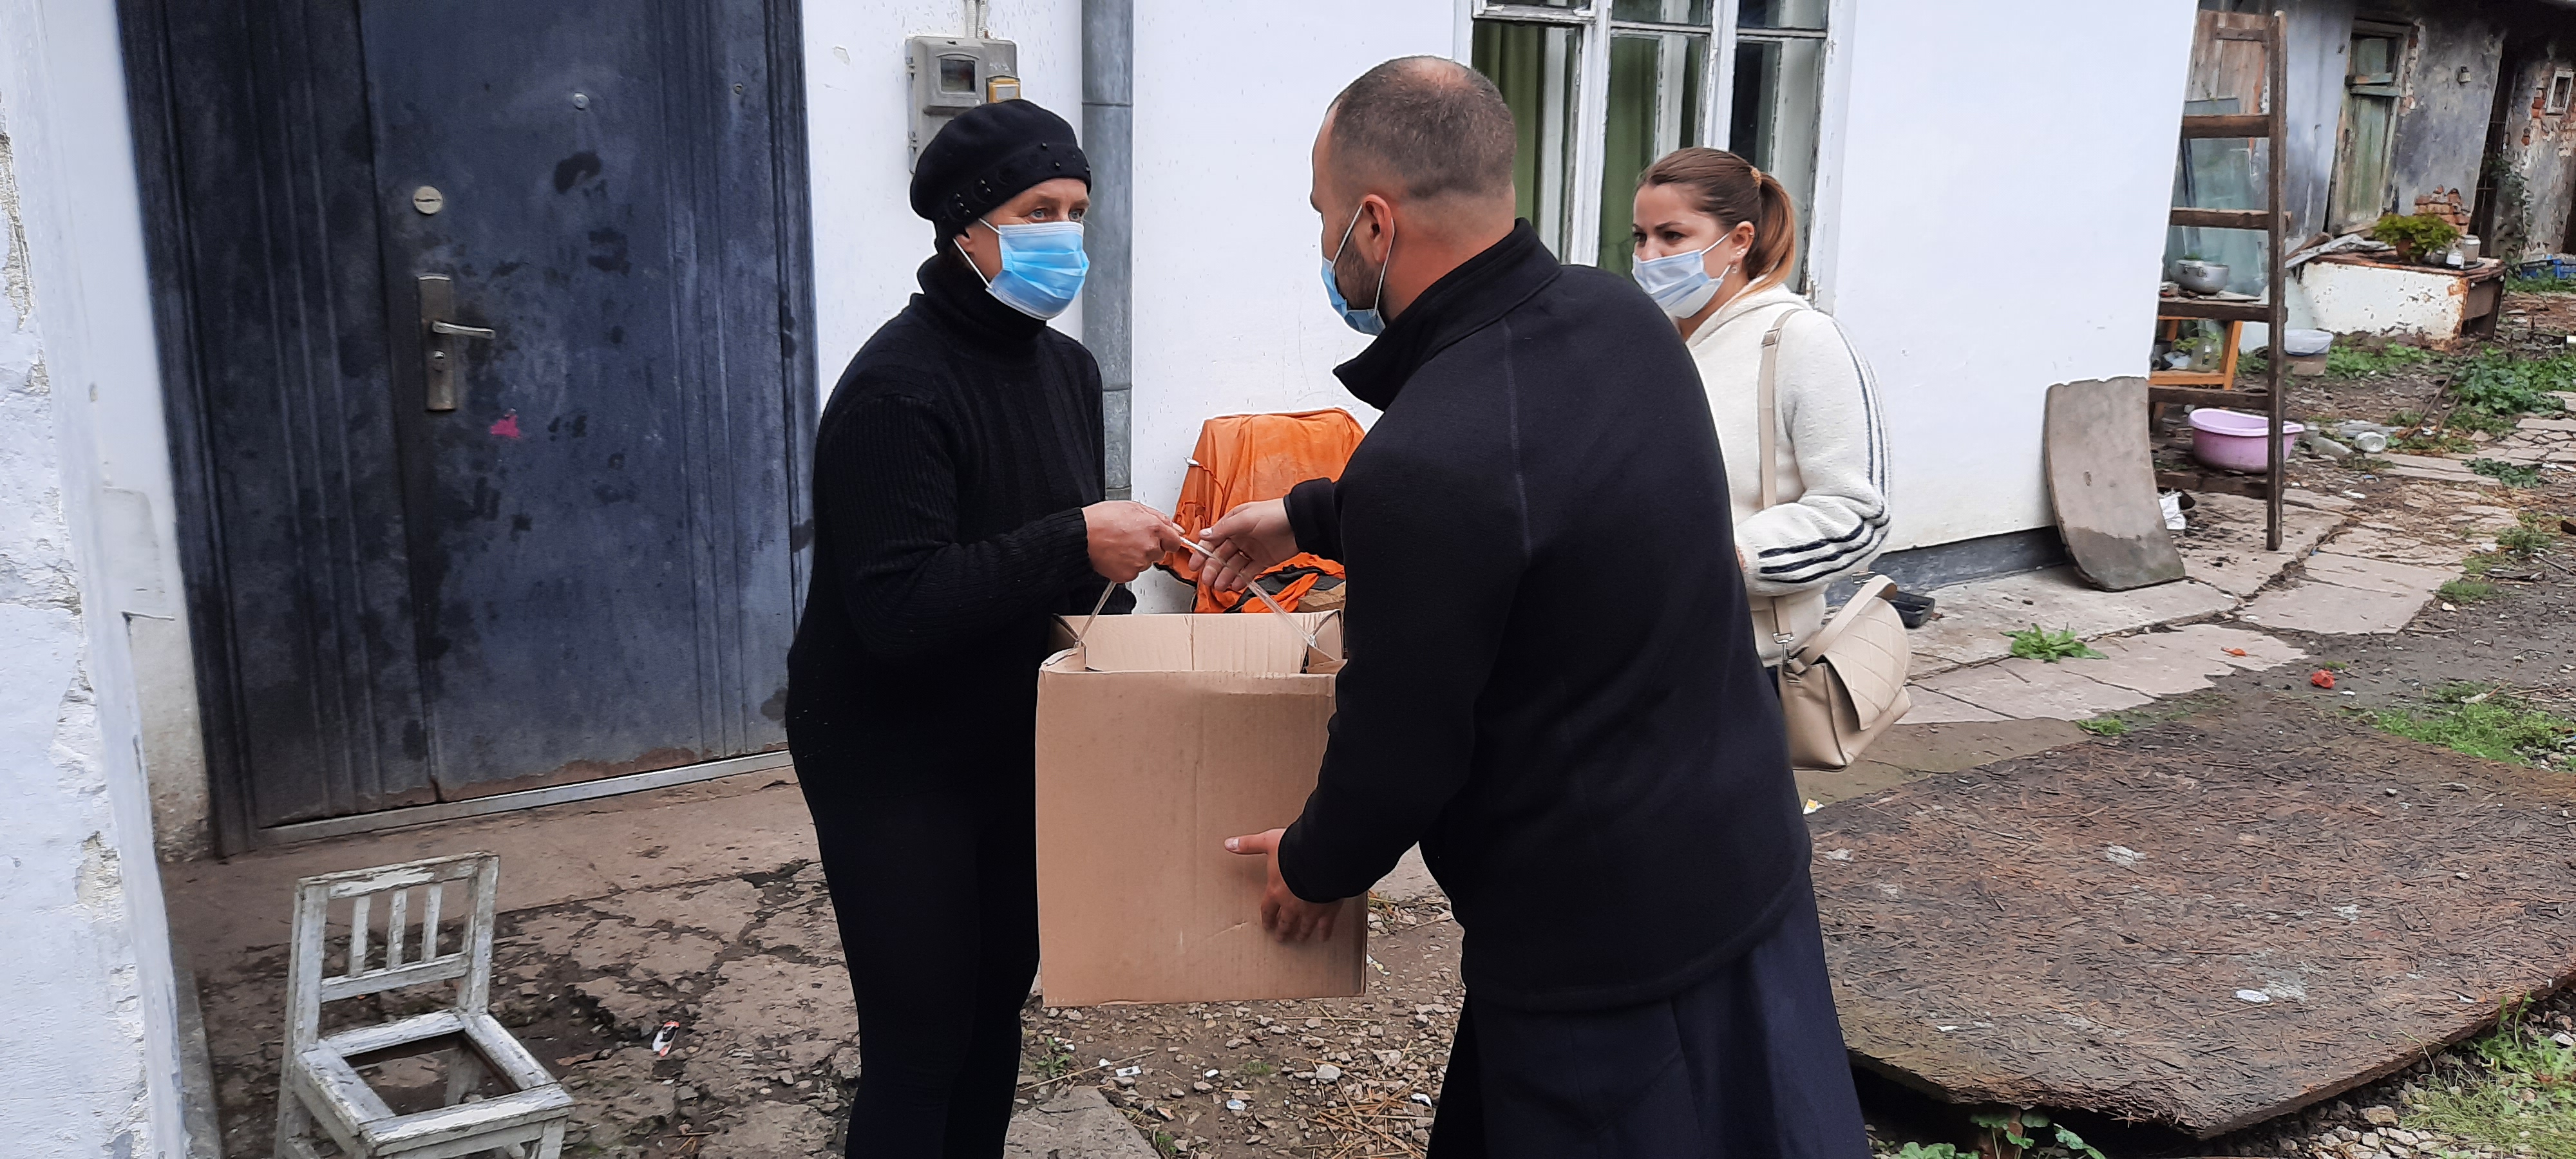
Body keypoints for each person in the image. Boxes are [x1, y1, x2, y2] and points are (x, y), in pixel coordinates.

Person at [1199, 57, 1869, 1158]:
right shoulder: (1614, 318)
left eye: (1324, 215)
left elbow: (1403, 741)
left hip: (1599, 942)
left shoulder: (1433, 452)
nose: (1323, 243)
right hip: (1739, 846)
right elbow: (1533, 499)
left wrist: (1316, 866)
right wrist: (1311, 511)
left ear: (1376, 223)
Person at [783, 99, 1184, 1158]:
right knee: (920, 1041)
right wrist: (1077, 539)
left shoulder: (1067, 373)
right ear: (966, 226)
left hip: (1017, 742)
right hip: (890, 755)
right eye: (1038, 211)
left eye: (1078, 211)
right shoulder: (894, 391)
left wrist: (1128, 583)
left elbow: (1058, 564)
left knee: (995, 1006)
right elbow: (898, 609)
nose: (1066, 235)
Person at [1629, 147, 1889, 670]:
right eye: (1641, 236)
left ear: (1739, 241)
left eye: (1672, 236)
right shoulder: (1640, 339)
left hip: (1744, 656)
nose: (1649, 256)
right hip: (1634, 648)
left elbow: (1857, 515)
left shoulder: (1803, 341)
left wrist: (1731, 559)